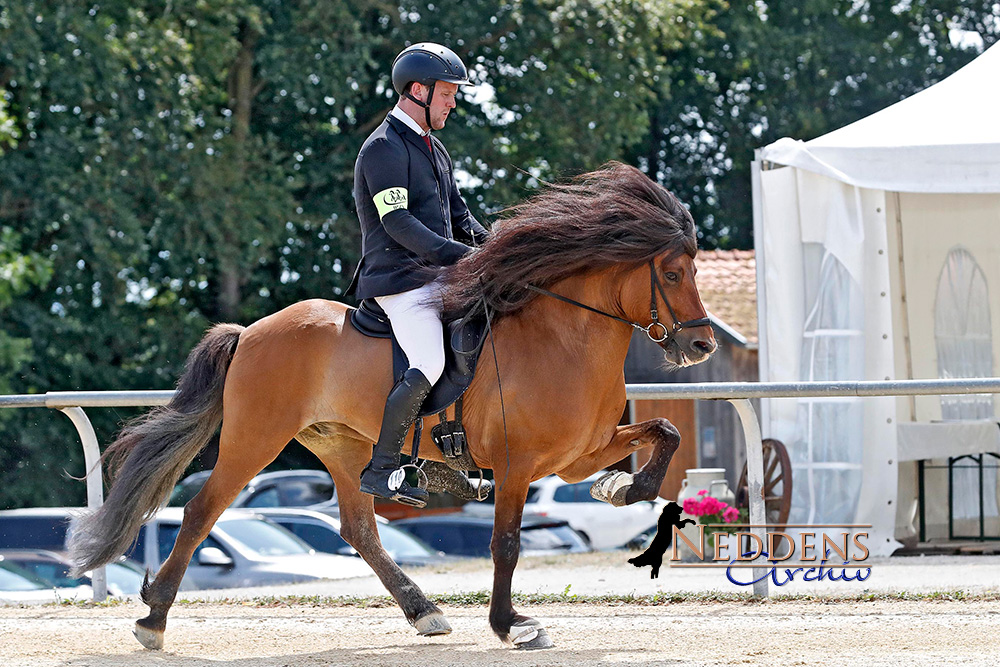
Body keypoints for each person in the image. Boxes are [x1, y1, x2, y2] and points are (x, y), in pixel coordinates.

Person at [346, 43, 489, 507]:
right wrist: (459, 259)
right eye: (447, 94)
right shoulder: (383, 148)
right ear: (418, 91)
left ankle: (456, 450)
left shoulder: (434, 147)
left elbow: (461, 217)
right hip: (400, 281)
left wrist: (499, 251)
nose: (453, 102)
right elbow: (398, 224)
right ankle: (382, 468)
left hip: (436, 276)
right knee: (428, 362)